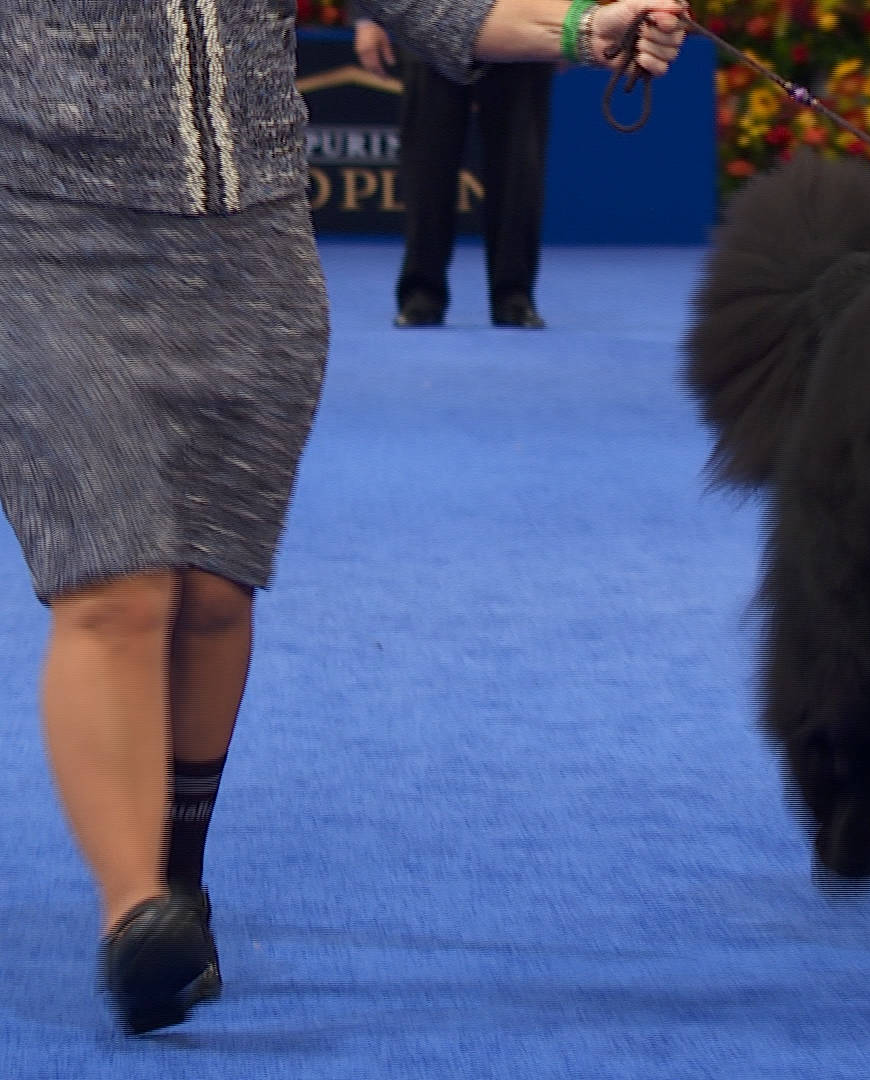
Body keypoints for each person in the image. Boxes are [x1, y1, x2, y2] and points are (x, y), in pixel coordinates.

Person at [0, 0, 685, 1036]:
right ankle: (134, 913)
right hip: (43, 244)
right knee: (117, 581)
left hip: (252, 264)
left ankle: (179, 880)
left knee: (216, 590)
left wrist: (586, 27)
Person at [353, 13, 557, 329]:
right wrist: (367, 19)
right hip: (429, 19)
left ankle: (515, 296)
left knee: (519, 168)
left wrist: (566, 24)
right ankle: (421, 294)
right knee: (426, 165)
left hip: (520, 17)